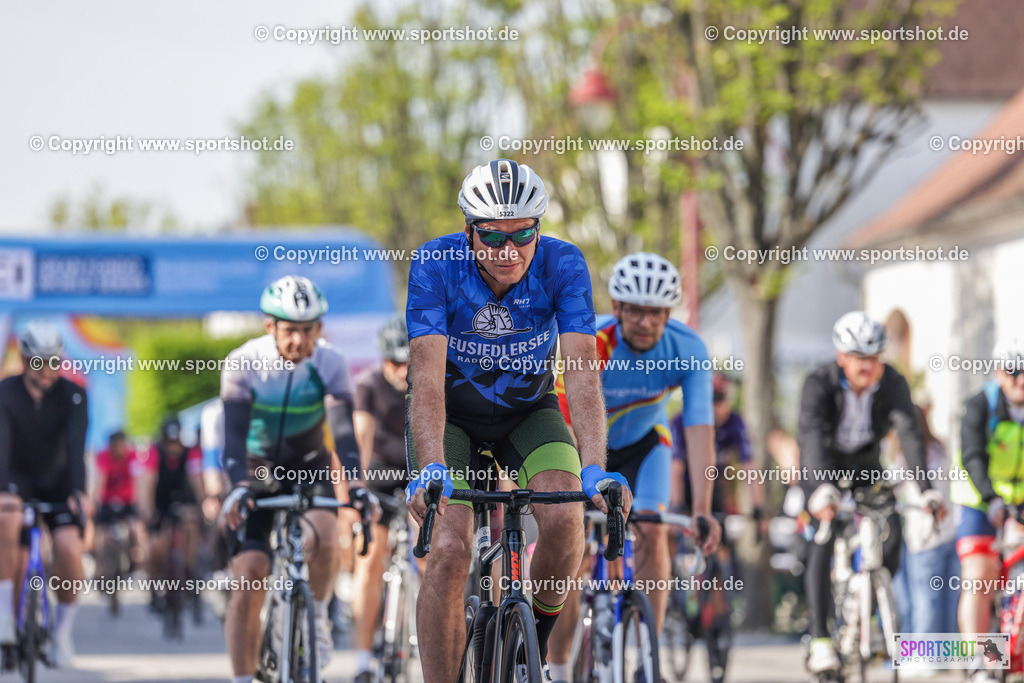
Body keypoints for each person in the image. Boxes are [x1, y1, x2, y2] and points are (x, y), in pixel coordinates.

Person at [405, 158, 632, 682]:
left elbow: (582, 375)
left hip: (529, 412)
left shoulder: (563, 263)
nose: (508, 251)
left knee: (566, 519)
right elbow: (427, 379)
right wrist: (432, 464)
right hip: (452, 420)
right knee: (450, 548)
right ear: (468, 231)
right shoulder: (436, 263)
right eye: (491, 236)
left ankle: (533, 652)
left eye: (523, 234)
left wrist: (594, 467)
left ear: (539, 229)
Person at [546, 252, 723, 682]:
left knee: (652, 530)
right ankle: (560, 668)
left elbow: (699, 431)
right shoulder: (593, 341)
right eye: (636, 311)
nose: (646, 322)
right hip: (586, 448)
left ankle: (647, 655)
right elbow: (566, 419)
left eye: (656, 313)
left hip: (646, 447)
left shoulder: (688, 348)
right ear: (618, 308)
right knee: (570, 547)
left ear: (669, 314)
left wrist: (702, 508)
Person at [218, 275, 378, 683]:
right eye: (290, 330)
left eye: (307, 330)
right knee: (250, 575)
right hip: (255, 471)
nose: (298, 341)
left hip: (309, 465)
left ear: (319, 328)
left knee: (325, 538)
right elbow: (232, 435)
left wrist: (357, 484)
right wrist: (238, 485)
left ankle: (317, 616)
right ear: (269, 326)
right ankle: (242, 677)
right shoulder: (243, 362)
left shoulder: (330, 362)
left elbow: (343, 431)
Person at [799, 311, 945, 676]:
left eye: (874, 358)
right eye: (858, 358)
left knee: (892, 532)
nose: (867, 366)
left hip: (866, 468)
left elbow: (909, 434)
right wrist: (821, 490)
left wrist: (926, 491)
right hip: (824, 467)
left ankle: (868, 610)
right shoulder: (818, 383)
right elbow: (811, 436)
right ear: (841, 357)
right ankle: (820, 639)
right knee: (823, 536)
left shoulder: (892, 382)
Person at [0, 319, 89, 668]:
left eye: (54, 362)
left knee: (68, 548)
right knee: (6, 519)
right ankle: (5, 614)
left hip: (58, 481)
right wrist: (3, 490)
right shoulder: (5, 393)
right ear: (24, 360)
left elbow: (76, 447)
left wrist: (79, 492)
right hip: (16, 478)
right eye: (40, 363)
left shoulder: (73, 394)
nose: (48, 371)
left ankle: (63, 631)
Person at [951, 338, 1024, 683]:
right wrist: (991, 498)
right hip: (978, 499)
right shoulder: (981, 404)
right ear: (999, 373)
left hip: (1019, 500)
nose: (1021, 380)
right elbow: (973, 455)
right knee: (980, 577)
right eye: (1013, 372)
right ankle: (981, 660)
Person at [350, 315, 411, 682]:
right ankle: (362, 659)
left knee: (429, 556)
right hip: (380, 474)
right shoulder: (369, 384)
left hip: (418, 471)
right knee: (370, 559)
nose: (403, 371)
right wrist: (356, 489)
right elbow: (360, 438)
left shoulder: (428, 379)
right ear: (383, 359)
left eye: (409, 363)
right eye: (395, 362)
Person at [139, 416, 204, 612]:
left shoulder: (190, 453)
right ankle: (153, 589)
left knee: (191, 527)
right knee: (156, 547)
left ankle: (188, 570)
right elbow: (147, 482)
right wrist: (147, 508)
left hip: (184, 501)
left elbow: (196, 480)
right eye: (170, 442)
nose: (173, 446)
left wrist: (201, 504)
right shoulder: (154, 452)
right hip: (160, 503)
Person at [93, 430, 146, 578]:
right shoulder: (104, 457)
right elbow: (100, 481)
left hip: (128, 503)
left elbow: (139, 481)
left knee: (136, 529)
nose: (119, 449)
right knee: (101, 535)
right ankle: (100, 568)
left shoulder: (132, 456)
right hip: (107, 503)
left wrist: (141, 503)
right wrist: (96, 502)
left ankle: (137, 562)